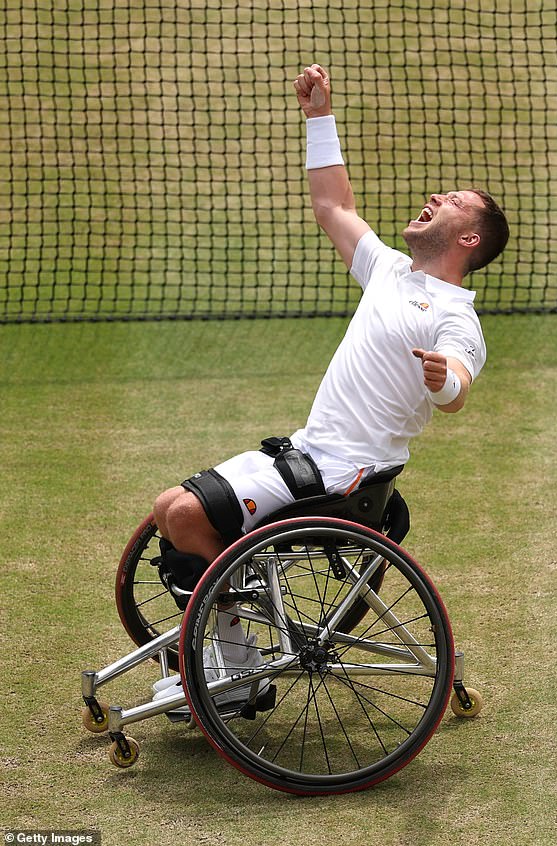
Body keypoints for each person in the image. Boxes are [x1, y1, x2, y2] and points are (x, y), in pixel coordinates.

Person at [151, 63, 509, 706]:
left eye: (452, 201)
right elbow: (333, 205)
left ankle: (237, 670)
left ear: (468, 237)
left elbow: (458, 381)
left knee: (182, 513)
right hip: (309, 451)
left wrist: (442, 382)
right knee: (168, 509)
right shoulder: (389, 270)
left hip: (349, 475)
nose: (436, 196)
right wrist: (319, 116)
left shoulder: (458, 317)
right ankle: (235, 615)